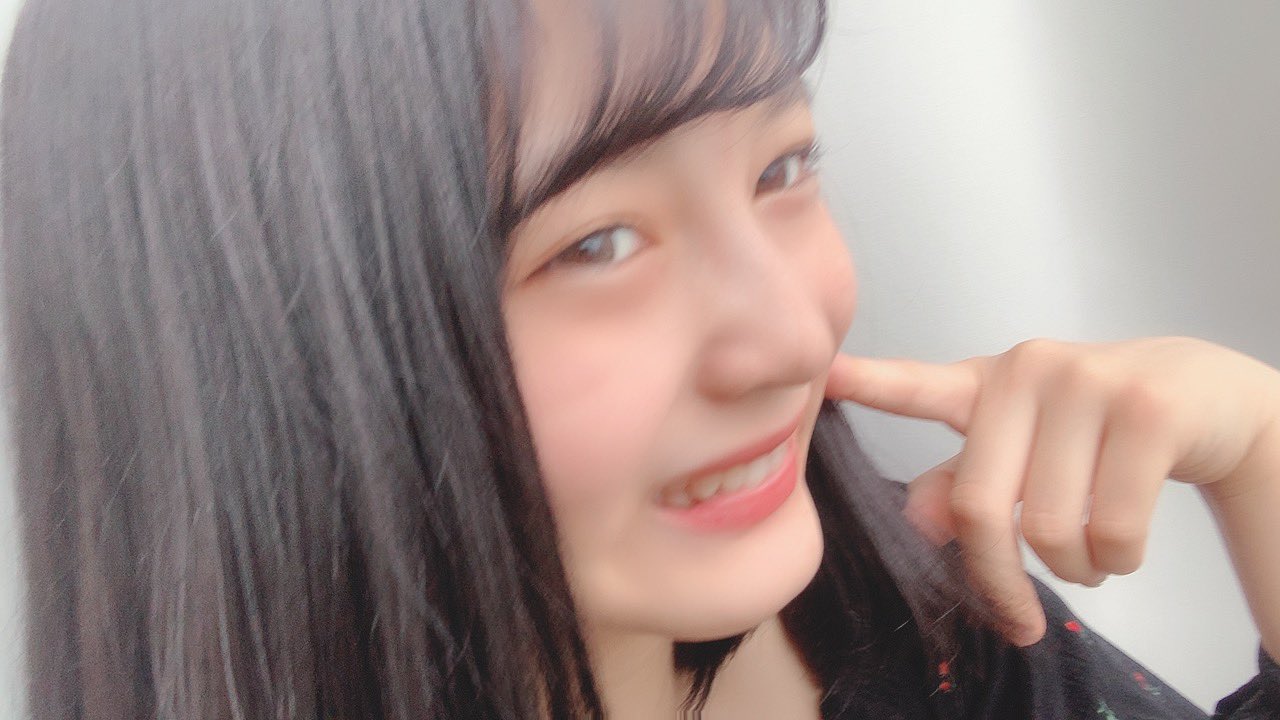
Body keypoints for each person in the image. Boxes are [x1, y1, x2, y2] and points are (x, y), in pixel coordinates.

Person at [1, 0, 1276, 717]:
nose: (792, 335)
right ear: (259, 382)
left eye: (781, 166)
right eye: (595, 243)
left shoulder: (915, 614)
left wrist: (1260, 454)